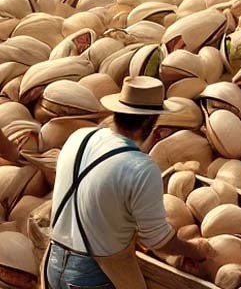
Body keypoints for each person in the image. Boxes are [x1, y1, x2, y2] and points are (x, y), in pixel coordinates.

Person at [44, 77, 211, 289]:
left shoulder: (79, 137)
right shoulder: (141, 168)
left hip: (54, 262)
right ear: (151, 122)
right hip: (91, 276)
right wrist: (194, 250)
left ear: (117, 111)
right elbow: (158, 240)